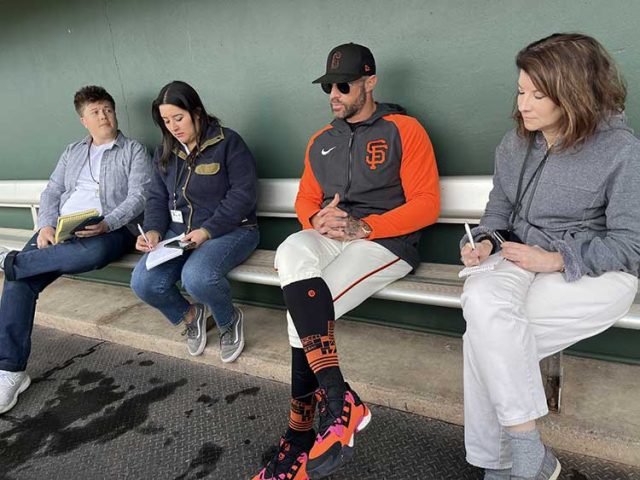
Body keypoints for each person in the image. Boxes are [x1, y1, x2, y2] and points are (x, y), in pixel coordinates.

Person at [253, 43, 440, 480]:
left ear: (369, 83)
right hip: (333, 237)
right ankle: (339, 403)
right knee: (291, 250)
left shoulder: (404, 129)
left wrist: (366, 228)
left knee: (302, 313)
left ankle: (299, 437)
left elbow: (428, 204)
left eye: (343, 85)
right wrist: (314, 217)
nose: (333, 94)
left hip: (386, 243)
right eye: (328, 87)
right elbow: (305, 199)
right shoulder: (322, 140)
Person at [460, 33, 640, 480]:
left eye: (538, 94)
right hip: (516, 259)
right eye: (521, 90)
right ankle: (528, 456)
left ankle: (502, 466)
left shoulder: (622, 152)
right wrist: (483, 241)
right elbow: (497, 214)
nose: (524, 103)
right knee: (485, 313)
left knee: (483, 339)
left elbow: (631, 246)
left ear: (574, 93)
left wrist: (557, 258)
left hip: (594, 272)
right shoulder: (513, 145)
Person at [0, 85, 150, 414]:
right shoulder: (72, 151)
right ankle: (10, 371)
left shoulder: (133, 150)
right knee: (19, 281)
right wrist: (46, 225)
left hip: (110, 228)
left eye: (108, 109)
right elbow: (53, 191)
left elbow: (139, 196)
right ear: (84, 120)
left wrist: (108, 223)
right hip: (63, 226)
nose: (104, 116)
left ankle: (12, 261)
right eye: (96, 112)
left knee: (87, 254)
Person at [130, 81, 259, 363]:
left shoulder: (227, 143)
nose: (173, 127)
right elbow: (155, 197)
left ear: (196, 112)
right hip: (181, 235)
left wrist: (208, 230)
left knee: (196, 277)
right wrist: (152, 231)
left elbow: (243, 195)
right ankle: (191, 315)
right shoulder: (165, 151)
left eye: (179, 118)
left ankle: (227, 321)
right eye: (166, 121)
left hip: (232, 230)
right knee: (143, 282)